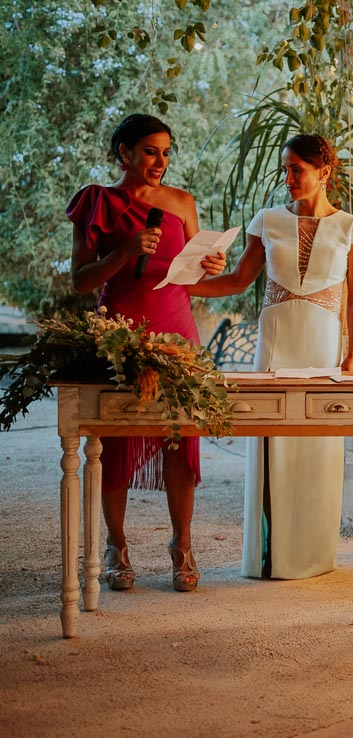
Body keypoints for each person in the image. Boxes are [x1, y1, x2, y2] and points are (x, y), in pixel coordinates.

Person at [190, 133, 353, 579]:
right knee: (272, 436)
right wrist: (182, 285)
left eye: (297, 169)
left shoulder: (352, 227)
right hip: (276, 340)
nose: (287, 178)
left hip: (323, 341)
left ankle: (311, 555)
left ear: (324, 172)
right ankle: (268, 556)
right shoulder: (267, 220)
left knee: (317, 444)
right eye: (285, 169)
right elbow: (236, 280)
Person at [67, 113, 227, 593]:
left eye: (166, 151)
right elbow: (80, 281)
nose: (160, 161)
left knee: (182, 440)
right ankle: (116, 545)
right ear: (125, 153)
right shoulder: (97, 201)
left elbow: (193, 277)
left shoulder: (182, 202)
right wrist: (122, 253)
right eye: (151, 151)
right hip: (120, 332)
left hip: (177, 331)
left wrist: (210, 264)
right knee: (114, 442)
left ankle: (182, 545)